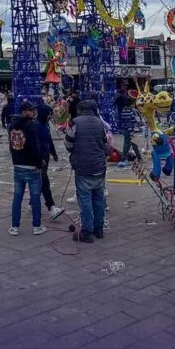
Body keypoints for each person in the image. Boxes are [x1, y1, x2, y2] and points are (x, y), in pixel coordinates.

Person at [65, 99, 109, 243]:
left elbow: (68, 143)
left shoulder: (75, 122)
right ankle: (99, 229)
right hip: (99, 167)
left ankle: (87, 231)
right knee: (98, 198)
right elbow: (105, 143)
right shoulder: (100, 123)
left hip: (83, 167)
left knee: (85, 201)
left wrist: (75, 152)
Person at [8, 100, 45, 236]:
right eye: (30, 110)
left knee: (17, 196)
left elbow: (11, 145)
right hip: (31, 166)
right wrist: (39, 163)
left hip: (18, 164)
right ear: (24, 112)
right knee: (35, 197)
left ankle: (14, 227)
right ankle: (37, 226)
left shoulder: (12, 125)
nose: (33, 112)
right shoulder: (32, 125)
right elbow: (35, 146)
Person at [36, 97, 64, 220]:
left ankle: (32, 202)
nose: (50, 116)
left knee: (38, 182)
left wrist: (54, 153)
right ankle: (51, 207)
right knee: (44, 182)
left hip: (45, 157)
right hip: (39, 159)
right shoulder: (36, 126)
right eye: (49, 114)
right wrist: (39, 159)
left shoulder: (45, 125)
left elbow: (49, 140)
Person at [117, 94, 142, 166]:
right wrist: (131, 132)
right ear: (130, 104)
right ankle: (123, 159)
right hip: (129, 131)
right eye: (133, 104)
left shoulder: (124, 111)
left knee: (132, 144)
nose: (134, 106)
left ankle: (139, 158)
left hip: (127, 130)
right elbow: (129, 123)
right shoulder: (128, 112)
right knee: (127, 145)